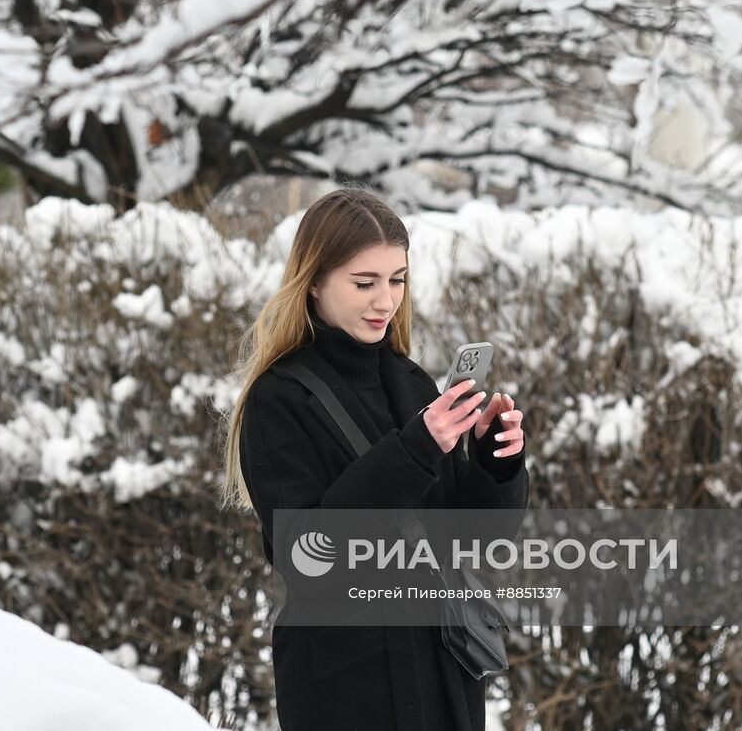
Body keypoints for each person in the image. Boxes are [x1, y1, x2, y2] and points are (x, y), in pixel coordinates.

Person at [220, 187, 529, 731]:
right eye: (364, 282)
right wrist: (416, 449)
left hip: (444, 678)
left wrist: (494, 461)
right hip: (346, 688)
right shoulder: (280, 399)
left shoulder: (411, 384)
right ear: (313, 281)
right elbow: (307, 557)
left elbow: (473, 541)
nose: (385, 300)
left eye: (397, 279)